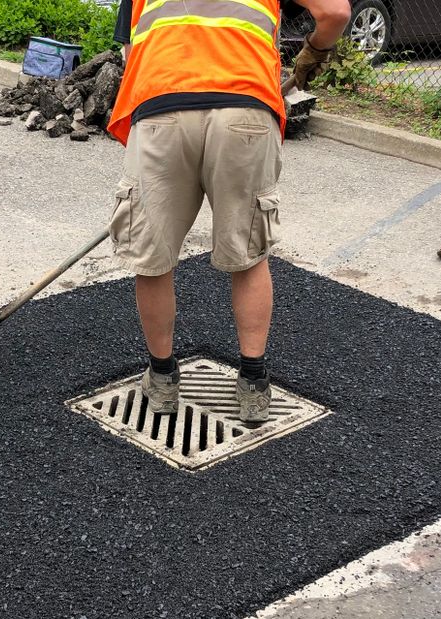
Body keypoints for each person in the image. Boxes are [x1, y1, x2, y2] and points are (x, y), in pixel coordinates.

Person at [107, 0, 350, 421]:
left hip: (162, 109)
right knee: (249, 255)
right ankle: (253, 384)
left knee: (153, 260)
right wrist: (314, 53)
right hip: (245, 111)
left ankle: (162, 381)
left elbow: (131, 55)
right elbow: (336, 13)